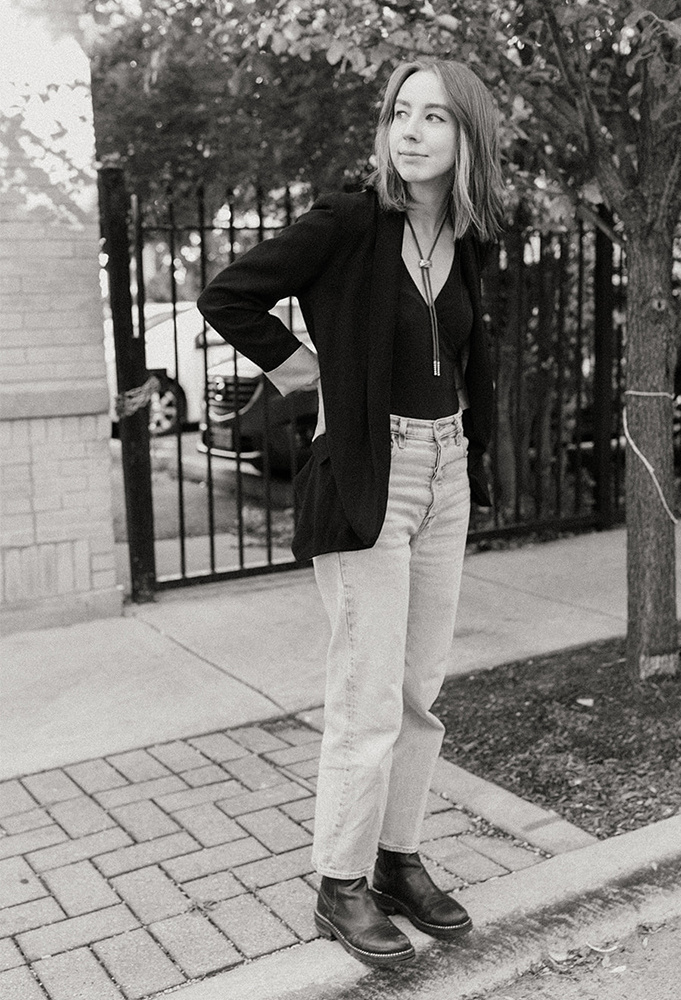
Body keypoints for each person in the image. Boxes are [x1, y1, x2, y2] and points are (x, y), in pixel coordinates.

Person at [197, 58, 504, 968]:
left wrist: (473, 455)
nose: (409, 131)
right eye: (400, 113)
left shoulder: (466, 231)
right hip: (374, 477)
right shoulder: (347, 221)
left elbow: (470, 351)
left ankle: (396, 859)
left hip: (443, 470)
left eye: (434, 117)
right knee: (366, 695)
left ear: (466, 139)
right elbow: (229, 294)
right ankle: (339, 884)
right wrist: (305, 372)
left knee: (420, 690)